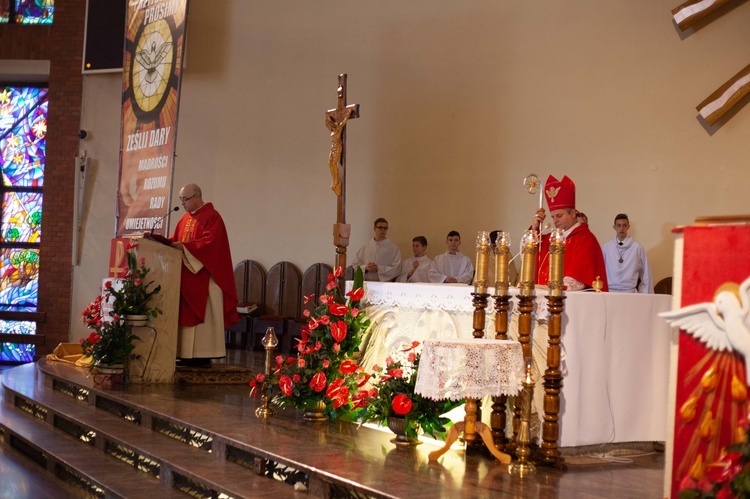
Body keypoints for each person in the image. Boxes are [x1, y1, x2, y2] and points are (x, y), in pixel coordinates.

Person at [169, 183, 239, 367]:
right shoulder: (184, 219)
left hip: (205, 278)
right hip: (187, 278)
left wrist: (185, 247)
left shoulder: (212, 217)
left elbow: (211, 243)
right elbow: (174, 240)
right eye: (180, 199)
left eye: (185, 199)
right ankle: (183, 353)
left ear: (197, 197)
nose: (182, 203)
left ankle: (203, 353)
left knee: (205, 317)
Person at [531, 175, 608, 291]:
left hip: (571, 303)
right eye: (553, 217)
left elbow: (578, 279)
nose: (555, 220)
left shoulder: (585, 239)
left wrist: (550, 289)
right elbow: (528, 255)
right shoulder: (550, 239)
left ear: (572, 213)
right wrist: (534, 228)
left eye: (559, 216)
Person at [602, 213, 652, 293]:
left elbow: (646, 273)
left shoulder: (637, 248)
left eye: (624, 225)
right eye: (618, 225)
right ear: (614, 227)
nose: (621, 228)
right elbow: (600, 270)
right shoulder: (606, 247)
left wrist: (644, 294)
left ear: (628, 227)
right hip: (610, 292)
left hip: (629, 292)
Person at [352, 218, 402, 282]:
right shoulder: (365, 247)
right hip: (366, 282)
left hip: (384, 284)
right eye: (380, 227)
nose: (383, 230)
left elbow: (396, 268)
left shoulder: (394, 249)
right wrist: (366, 267)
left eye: (385, 228)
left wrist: (379, 269)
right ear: (374, 229)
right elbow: (355, 264)